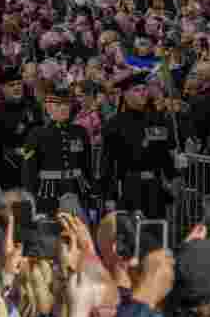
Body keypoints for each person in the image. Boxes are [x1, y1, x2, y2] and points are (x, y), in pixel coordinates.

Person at [101, 71, 181, 219]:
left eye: (144, 89)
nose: (142, 93)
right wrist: (109, 196)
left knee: (156, 233)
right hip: (129, 187)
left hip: (155, 188)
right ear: (125, 95)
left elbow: (163, 154)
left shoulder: (158, 120)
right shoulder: (114, 124)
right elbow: (108, 163)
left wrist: (174, 175)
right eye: (137, 90)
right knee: (131, 236)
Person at [21, 84, 92, 216]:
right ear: (48, 108)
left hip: (76, 187)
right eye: (58, 105)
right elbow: (29, 168)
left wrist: (92, 192)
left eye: (67, 104)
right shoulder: (37, 134)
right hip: (48, 190)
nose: (64, 108)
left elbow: (87, 165)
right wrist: (31, 194)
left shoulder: (80, 132)